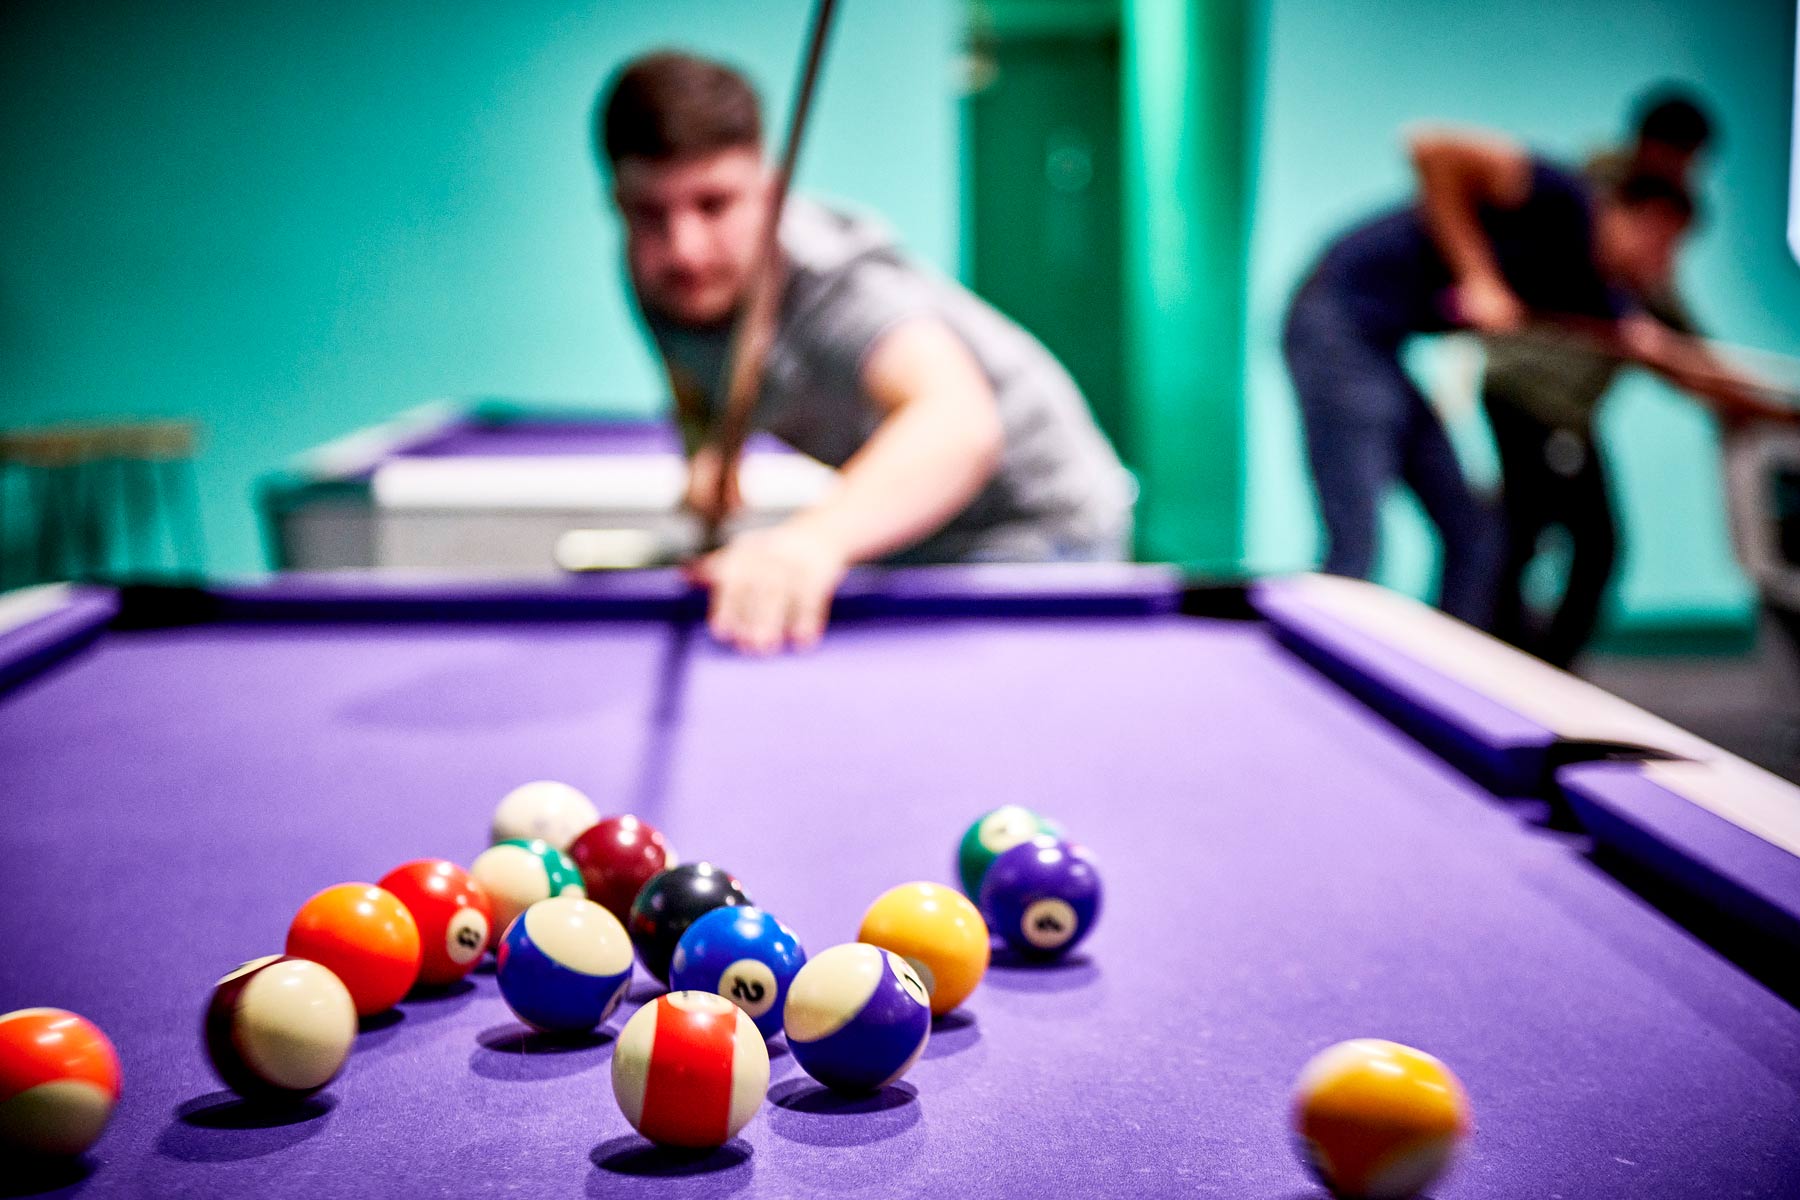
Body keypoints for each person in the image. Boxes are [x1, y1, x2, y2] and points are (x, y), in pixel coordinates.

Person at [596, 52, 1134, 653]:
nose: (685, 250)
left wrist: (809, 542)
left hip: (1037, 524)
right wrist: (709, 450)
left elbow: (959, 423)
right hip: (913, 530)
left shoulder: (834, 281)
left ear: (769, 192)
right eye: (647, 214)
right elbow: (691, 375)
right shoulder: (656, 276)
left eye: (714, 204)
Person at [1282, 124, 1772, 631]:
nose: (1663, 266)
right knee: (1356, 538)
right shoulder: (1566, 202)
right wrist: (1479, 276)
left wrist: (1775, 410)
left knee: (1475, 536)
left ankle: (1452, 678)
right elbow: (1430, 147)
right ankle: (1310, 673)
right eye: (1663, 245)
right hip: (1336, 318)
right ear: (1637, 218)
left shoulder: (1592, 291)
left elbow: (1672, 356)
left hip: (1385, 348)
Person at [1480, 89, 1715, 667]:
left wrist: (1706, 368)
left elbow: (1662, 308)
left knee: (1543, 536)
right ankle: (1522, 673)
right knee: (1556, 540)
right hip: (1535, 389)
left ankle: (1523, 669)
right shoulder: (1593, 195)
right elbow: (1645, 293)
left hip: (1562, 405)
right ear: (1657, 148)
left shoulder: (1649, 203)